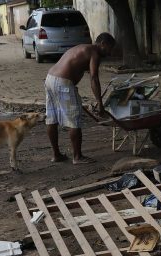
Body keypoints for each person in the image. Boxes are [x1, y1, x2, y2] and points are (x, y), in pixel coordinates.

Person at [45, 32, 116, 164]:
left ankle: (56, 155)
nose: (110, 52)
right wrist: (100, 103)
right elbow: (94, 78)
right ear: (103, 44)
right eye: (110, 48)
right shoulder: (94, 53)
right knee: (74, 119)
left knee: (52, 118)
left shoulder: (83, 47)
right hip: (63, 83)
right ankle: (77, 157)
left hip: (50, 78)